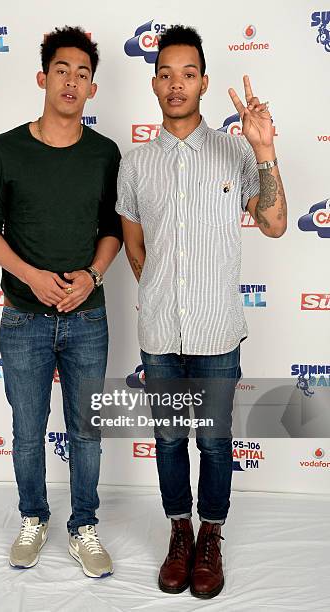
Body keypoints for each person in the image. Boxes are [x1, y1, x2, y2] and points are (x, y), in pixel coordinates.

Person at [116, 25, 286, 599]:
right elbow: (134, 249)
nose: (176, 83)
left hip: (218, 331)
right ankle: (179, 531)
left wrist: (264, 152)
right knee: (168, 441)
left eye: (188, 73)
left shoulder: (235, 152)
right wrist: (166, 292)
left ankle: (211, 535)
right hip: (160, 331)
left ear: (204, 82)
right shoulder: (136, 164)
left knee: (213, 443)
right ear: (154, 83)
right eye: (165, 73)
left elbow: (275, 222)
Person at [0, 26, 122, 579]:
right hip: (23, 319)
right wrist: (32, 276)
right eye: (62, 70)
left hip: (87, 318)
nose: (72, 81)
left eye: (83, 73)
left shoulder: (105, 154)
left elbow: (112, 228)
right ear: (43, 77)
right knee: (29, 427)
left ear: (92, 89)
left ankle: (84, 525)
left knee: (86, 429)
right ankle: (33, 516)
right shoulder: (5, 150)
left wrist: (94, 274)